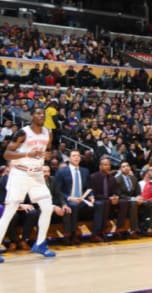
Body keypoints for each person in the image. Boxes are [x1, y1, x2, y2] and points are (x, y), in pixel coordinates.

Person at [0, 108, 56, 262]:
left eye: (43, 114)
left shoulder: (48, 133)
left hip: (37, 174)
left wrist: (49, 155)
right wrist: (27, 154)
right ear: (31, 116)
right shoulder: (23, 133)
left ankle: (40, 243)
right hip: (20, 173)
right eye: (38, 114)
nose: (41, 116)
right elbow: (7, 154)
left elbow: (49, 150)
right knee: (10, 210)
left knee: (47, 207)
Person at [55, 149, 95, 245]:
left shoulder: (85, 171)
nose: (77, 157)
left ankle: (97, 233)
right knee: (73, 206)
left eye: (78, 156)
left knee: (99, 204)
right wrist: (69, 198)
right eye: (74, 156)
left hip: (82, 199)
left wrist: (91, 196)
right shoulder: (62, 172)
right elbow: (58, 190)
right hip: (68, 200)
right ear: (69, 158)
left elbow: (87, 187)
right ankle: (72, 234)